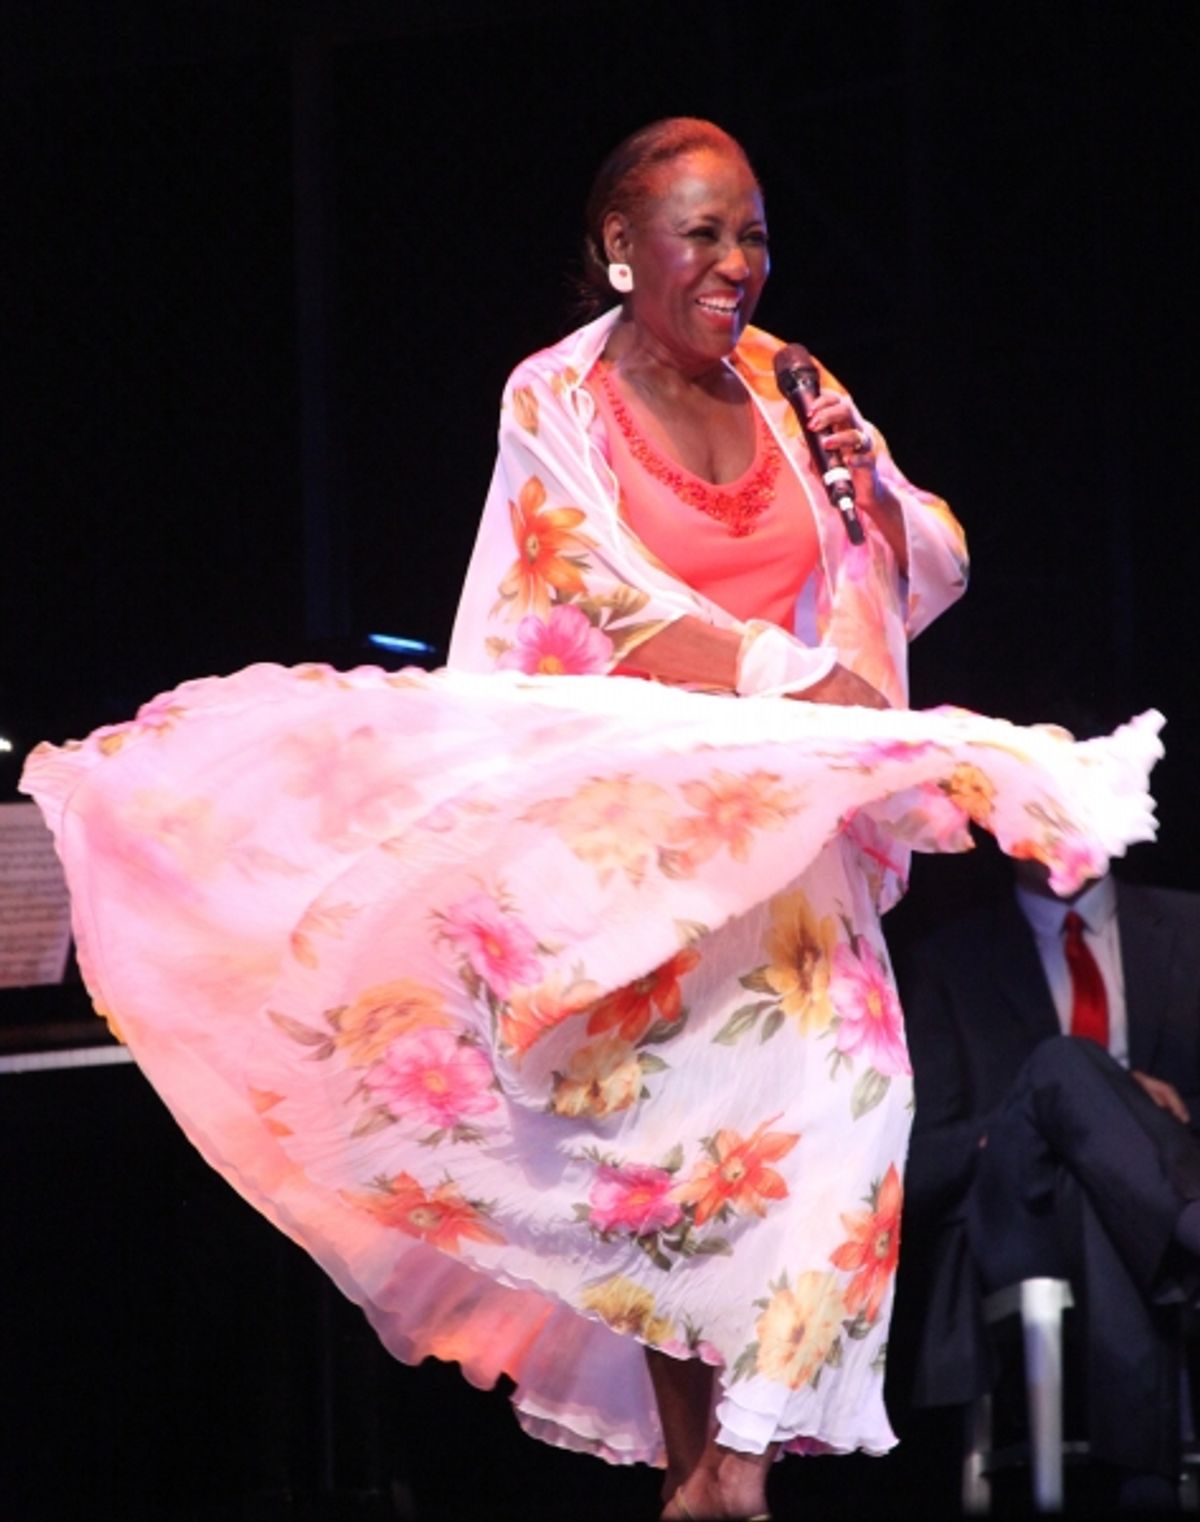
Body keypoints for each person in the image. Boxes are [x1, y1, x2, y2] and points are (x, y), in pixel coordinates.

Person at [20, 118, 1162, 1522]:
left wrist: (868, 489)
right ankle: (707, 1478)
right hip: (637, 848)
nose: (737, 263)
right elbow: (588, 596)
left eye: (753, 233)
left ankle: (731, 1465)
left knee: (852, 1104)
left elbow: (928, 551)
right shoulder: (554, 396)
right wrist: (783, 672)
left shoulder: (791, 378)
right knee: (662, 1157)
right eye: (703, 234)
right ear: (622, 247)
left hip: (789, 831)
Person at [899, 845, 1200, 1509]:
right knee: (1065, 1065)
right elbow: (918, 1165)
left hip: (1144, 1186)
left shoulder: (1191, 927)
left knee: (1098, 1189)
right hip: (1017, 1219)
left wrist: (1129, 1115)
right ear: (1002, 832)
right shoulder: (948, 961)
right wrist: (1035, 1107)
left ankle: (1141, 1482)